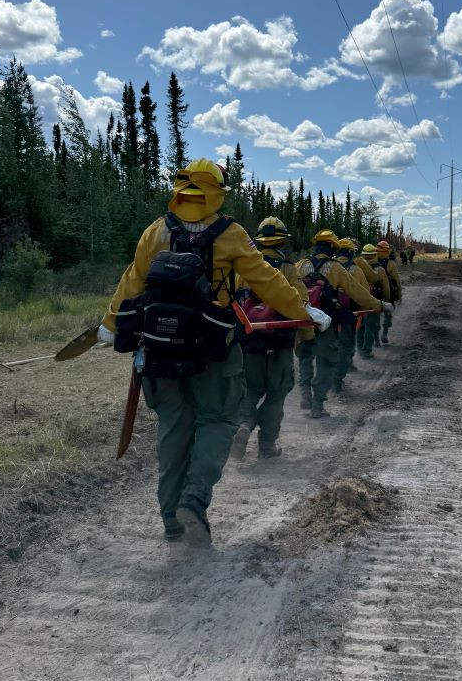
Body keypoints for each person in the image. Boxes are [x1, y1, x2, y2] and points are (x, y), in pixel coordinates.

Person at [99, 159, 322, 547]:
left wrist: (111, 324)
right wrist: (304, 314)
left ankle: (170, 518)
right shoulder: (231, 234)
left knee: (173, 426)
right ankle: (195, 498)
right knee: (218, 420)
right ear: (216, 191)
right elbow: (267, 282)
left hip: (159, 350)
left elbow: (132, 280)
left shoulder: (156, 231)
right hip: (212, 349)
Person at [230, 217, 311, 460]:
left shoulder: (242, 269)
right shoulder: (288, 269)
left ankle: (244, 425)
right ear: (283, 241)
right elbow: (302, 303)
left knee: (250, 391)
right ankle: (266, 446)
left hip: (249, 344)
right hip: (280, 345)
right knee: (277, 393)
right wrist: (307, 334)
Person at [297, 229, 389, 418]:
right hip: (325, 323)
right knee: (326, 361)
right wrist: (379, 304)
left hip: (302, 321)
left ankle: (305, 395)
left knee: (305, 358)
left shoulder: (301, 265)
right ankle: (317, 406)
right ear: (332, 248)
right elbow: (358, 292)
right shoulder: (335, 268)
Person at [332, 238, 368, 393]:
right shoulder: (356, 270)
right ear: (350, 253)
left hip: (329, 315)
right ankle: (337, 380)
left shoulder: (329, 267)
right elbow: (364, 292)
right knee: (346, 347)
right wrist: (363, 312)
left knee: (332, 347)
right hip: (349, 315)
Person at [355, 244, 389, 358]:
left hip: (359, 301)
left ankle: (359, 348)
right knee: (371, 326)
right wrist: (386, 302)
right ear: (375, 254)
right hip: (374, 302)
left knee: (360, 325)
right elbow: (386, 288)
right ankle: (366, 351)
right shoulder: (380, 269)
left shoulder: (357, 268)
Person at [376, 240, 402, 345]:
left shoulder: (372, 263)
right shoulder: (391, 264)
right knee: (388, 314)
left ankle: (376, 339)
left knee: (375, 316)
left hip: (375, 293)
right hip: (389, 293)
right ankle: (385, 333)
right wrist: (399, 294)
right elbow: (397, 281)